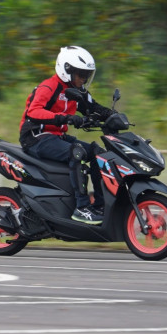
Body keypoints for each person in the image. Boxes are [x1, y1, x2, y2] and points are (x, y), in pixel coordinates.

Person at [19, 46, 114, 224]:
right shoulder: (49, 86)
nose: (84, 78)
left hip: (56, 136)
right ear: (67, 70)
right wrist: (66, 118)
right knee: (76, 152)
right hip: (35, 137)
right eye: (81, 74)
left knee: (98, 153)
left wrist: (113, 116)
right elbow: (34, 112)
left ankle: (100, 205)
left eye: (87, 74)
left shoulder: (77, 91)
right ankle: (81, 208)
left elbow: (93, 108)